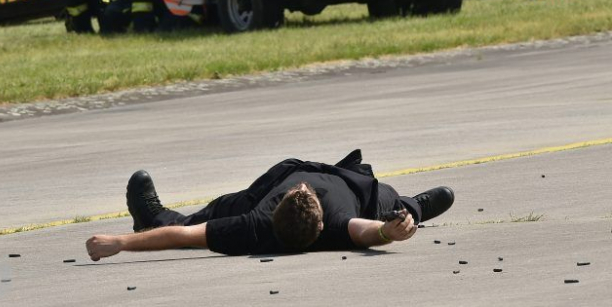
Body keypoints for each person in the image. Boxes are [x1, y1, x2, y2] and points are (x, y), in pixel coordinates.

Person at [85, 149, 455, 260]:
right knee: (392, 202)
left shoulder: (254, 224)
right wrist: (394, 230)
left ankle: (148, 217)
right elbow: (369, 231)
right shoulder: (342, 223)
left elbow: (184, 233)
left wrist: (120, 243)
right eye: (303, 192)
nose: (304, 187)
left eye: (301, 192)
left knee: (198, 221)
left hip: (260, 193)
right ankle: (418, 206)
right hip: (362, 195)